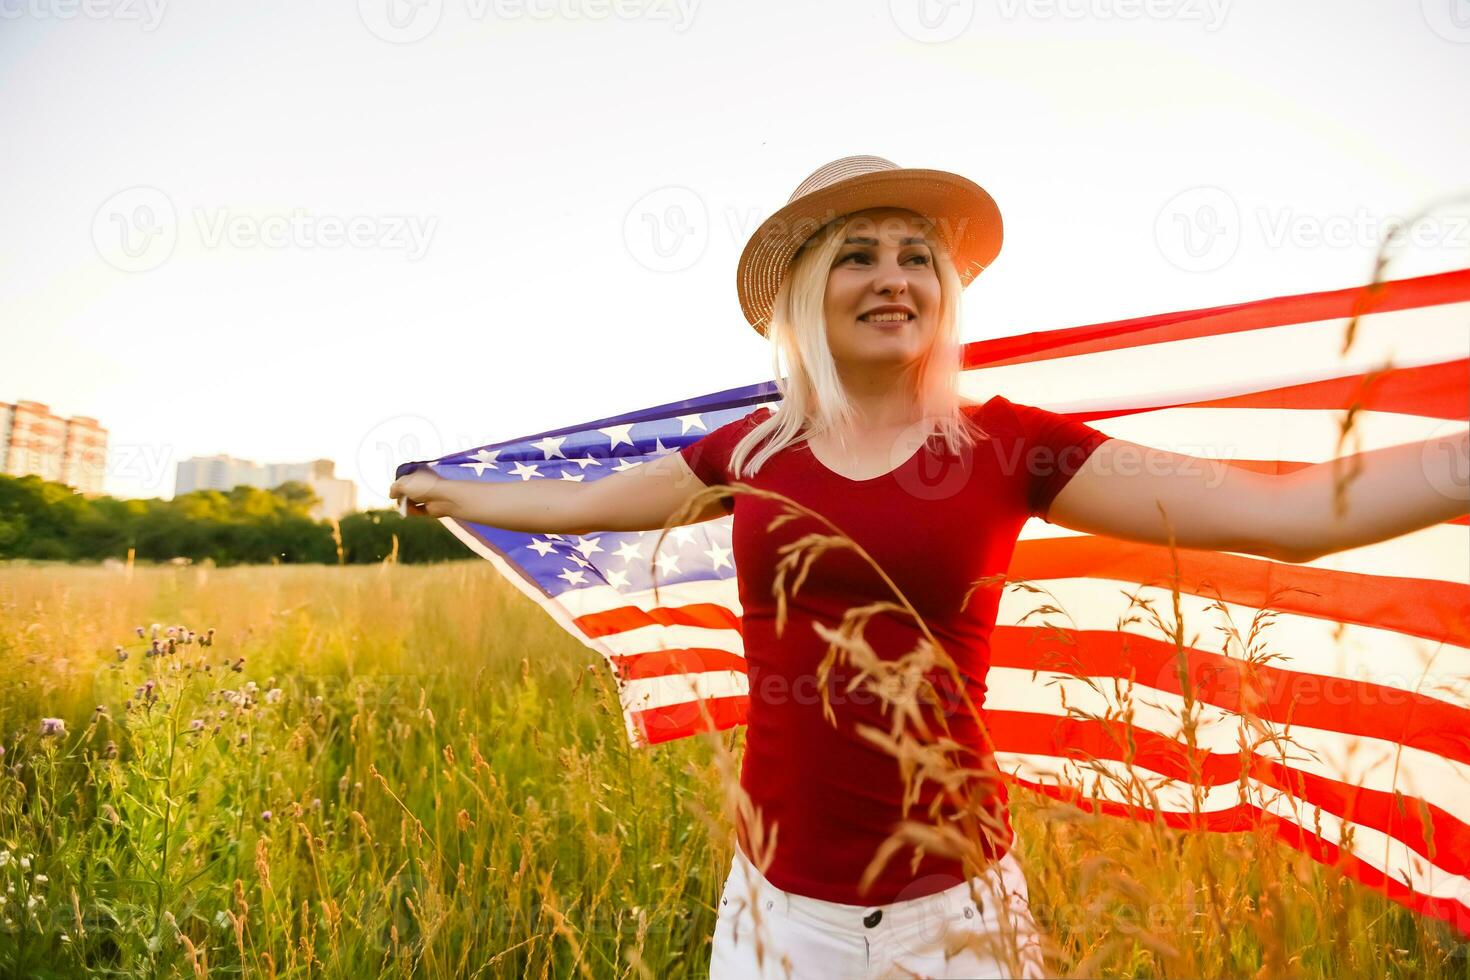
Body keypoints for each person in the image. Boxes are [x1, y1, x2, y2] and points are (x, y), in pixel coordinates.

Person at [390, 155, 1470, 979]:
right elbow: (588, 505)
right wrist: (452, 490)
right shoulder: (755, 449)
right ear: (809, 289)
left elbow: (1289, 514)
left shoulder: (1009, 445)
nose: (894, 277)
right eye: (859, 253)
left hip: (956, 916)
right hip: (774, 914)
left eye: (917, 255)